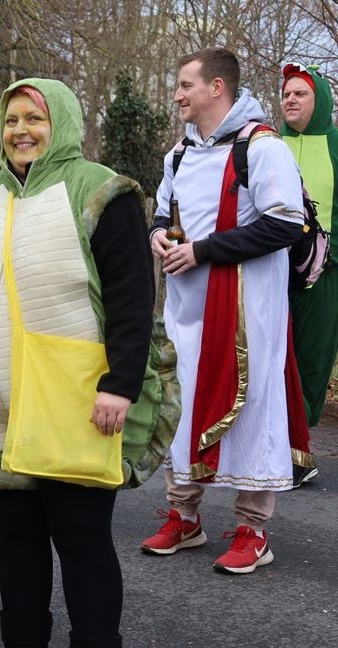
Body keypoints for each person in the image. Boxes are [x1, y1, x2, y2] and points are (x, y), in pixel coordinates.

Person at [0, 78, 157, 648]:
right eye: (10, 120)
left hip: (75, 400)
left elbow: (134, 300)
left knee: (82, 544)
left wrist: (120, 384)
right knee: (20, 547)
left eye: (34, 118)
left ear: (61, 121)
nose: (21, 131)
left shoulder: (102, 191)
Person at [142, 47, 305, 574]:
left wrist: (204, 249)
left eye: (186, 85)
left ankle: (253, 529)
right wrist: (158, 237)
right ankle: (184, 517)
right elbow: (164, 210)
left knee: (253, 405)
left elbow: (285, 223)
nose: (177, 94)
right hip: (187, 308)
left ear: (217, 88)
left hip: (246, 313)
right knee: (183, 403)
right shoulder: (179, 154)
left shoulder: (262, 147)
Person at [281, 62, 334, 485]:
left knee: (311, 361)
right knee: (272, 357)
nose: (291, 100)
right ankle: (284, 447)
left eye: (301, 93)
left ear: (319, 102)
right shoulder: (268, 143)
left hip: (324, 274)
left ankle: (296, 445)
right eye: (286, 94)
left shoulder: (335, 144)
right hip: (272, 268)